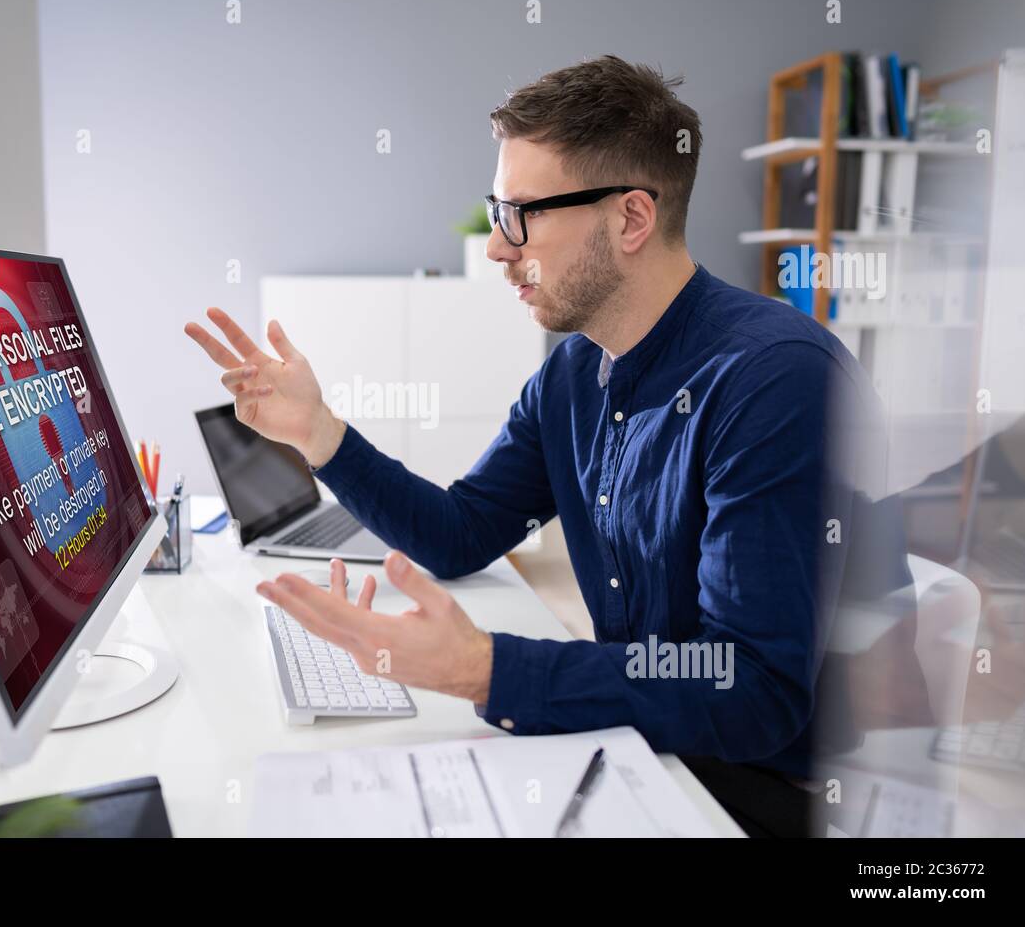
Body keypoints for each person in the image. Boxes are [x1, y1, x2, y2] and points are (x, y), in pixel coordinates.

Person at [186, 55, 883, 835]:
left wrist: (484, 668)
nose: (494, 247)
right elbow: (461, 533)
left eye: (522, 215)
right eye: (496, 210)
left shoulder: (773, 381)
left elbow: (751, 689)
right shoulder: (572, 377)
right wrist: (318, 434)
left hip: (753, 792)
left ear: (630, 219)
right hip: (649, 749)